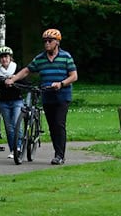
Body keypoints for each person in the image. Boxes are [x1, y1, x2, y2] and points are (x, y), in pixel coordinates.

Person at [5, 28, 78, 165]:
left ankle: (59, 155)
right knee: (52, 126)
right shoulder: (40, 58)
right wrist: (13, 79)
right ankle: (57, 152)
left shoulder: (66, 57)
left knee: (59, 124)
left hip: (62, 96)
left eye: (50, 41)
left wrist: (61, 84)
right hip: (47, 95)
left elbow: (74, 76)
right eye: (45, 41)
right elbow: (27, 70)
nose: (47, 44)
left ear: (57, 42)